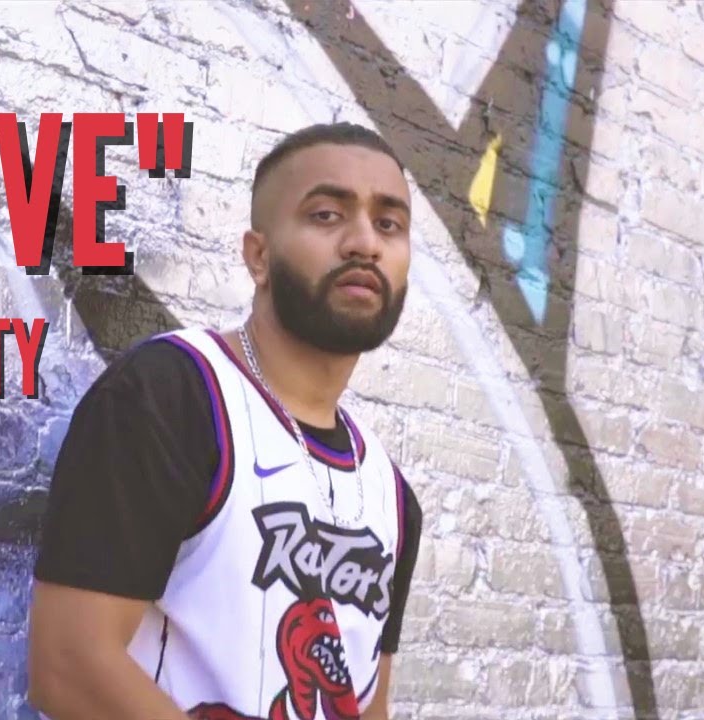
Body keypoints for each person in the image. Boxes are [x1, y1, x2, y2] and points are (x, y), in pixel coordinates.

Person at [27, 122, 423, 720]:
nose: (365, 242)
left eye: (389, 224)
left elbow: (370, 704)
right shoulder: (172, 398)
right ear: (259, 256)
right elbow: (68, 666)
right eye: (326, 215)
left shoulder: (393, 497)